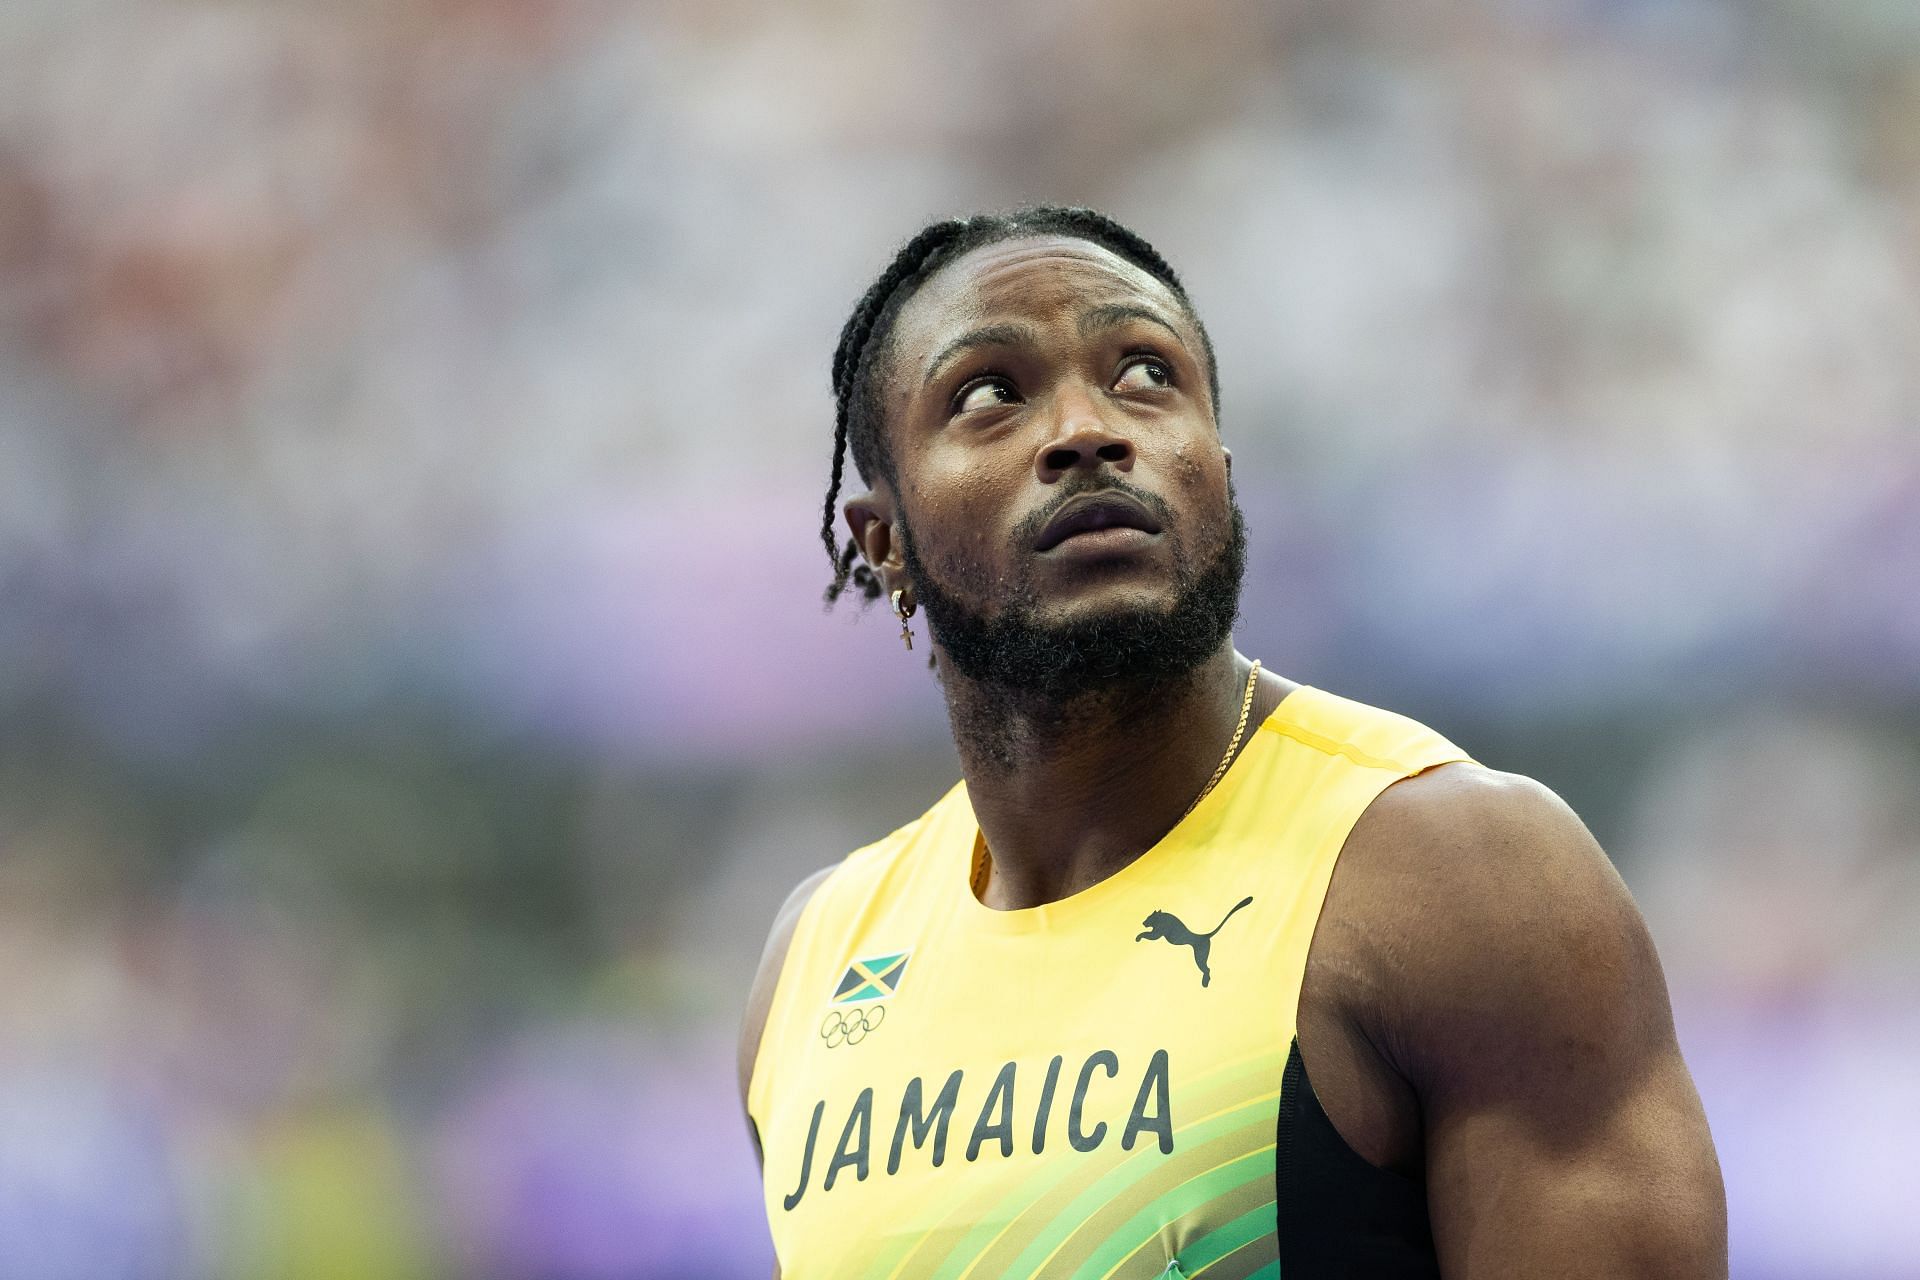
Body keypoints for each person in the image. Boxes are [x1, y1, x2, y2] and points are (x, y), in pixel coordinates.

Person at [738, 207, 1726, 1278]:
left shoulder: (1458, 879)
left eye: (1146, 374)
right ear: (883, 540)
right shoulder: (817, 965)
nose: (1087, 427)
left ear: (1217, 464)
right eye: (989, 393)